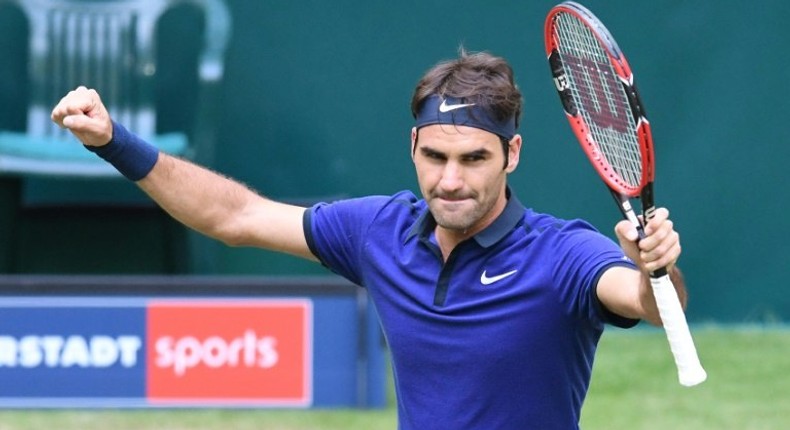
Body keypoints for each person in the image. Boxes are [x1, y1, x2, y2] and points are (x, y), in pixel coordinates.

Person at [51, 49, 685, 430]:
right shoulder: (379, 231)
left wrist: (657, 271)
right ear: (413, 146)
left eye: (473, 159)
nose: (451, 180)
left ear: (511, 154)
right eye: (435, 156)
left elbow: (646, 301)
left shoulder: (563, 253)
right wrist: (115, 142)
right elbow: (235, 217)